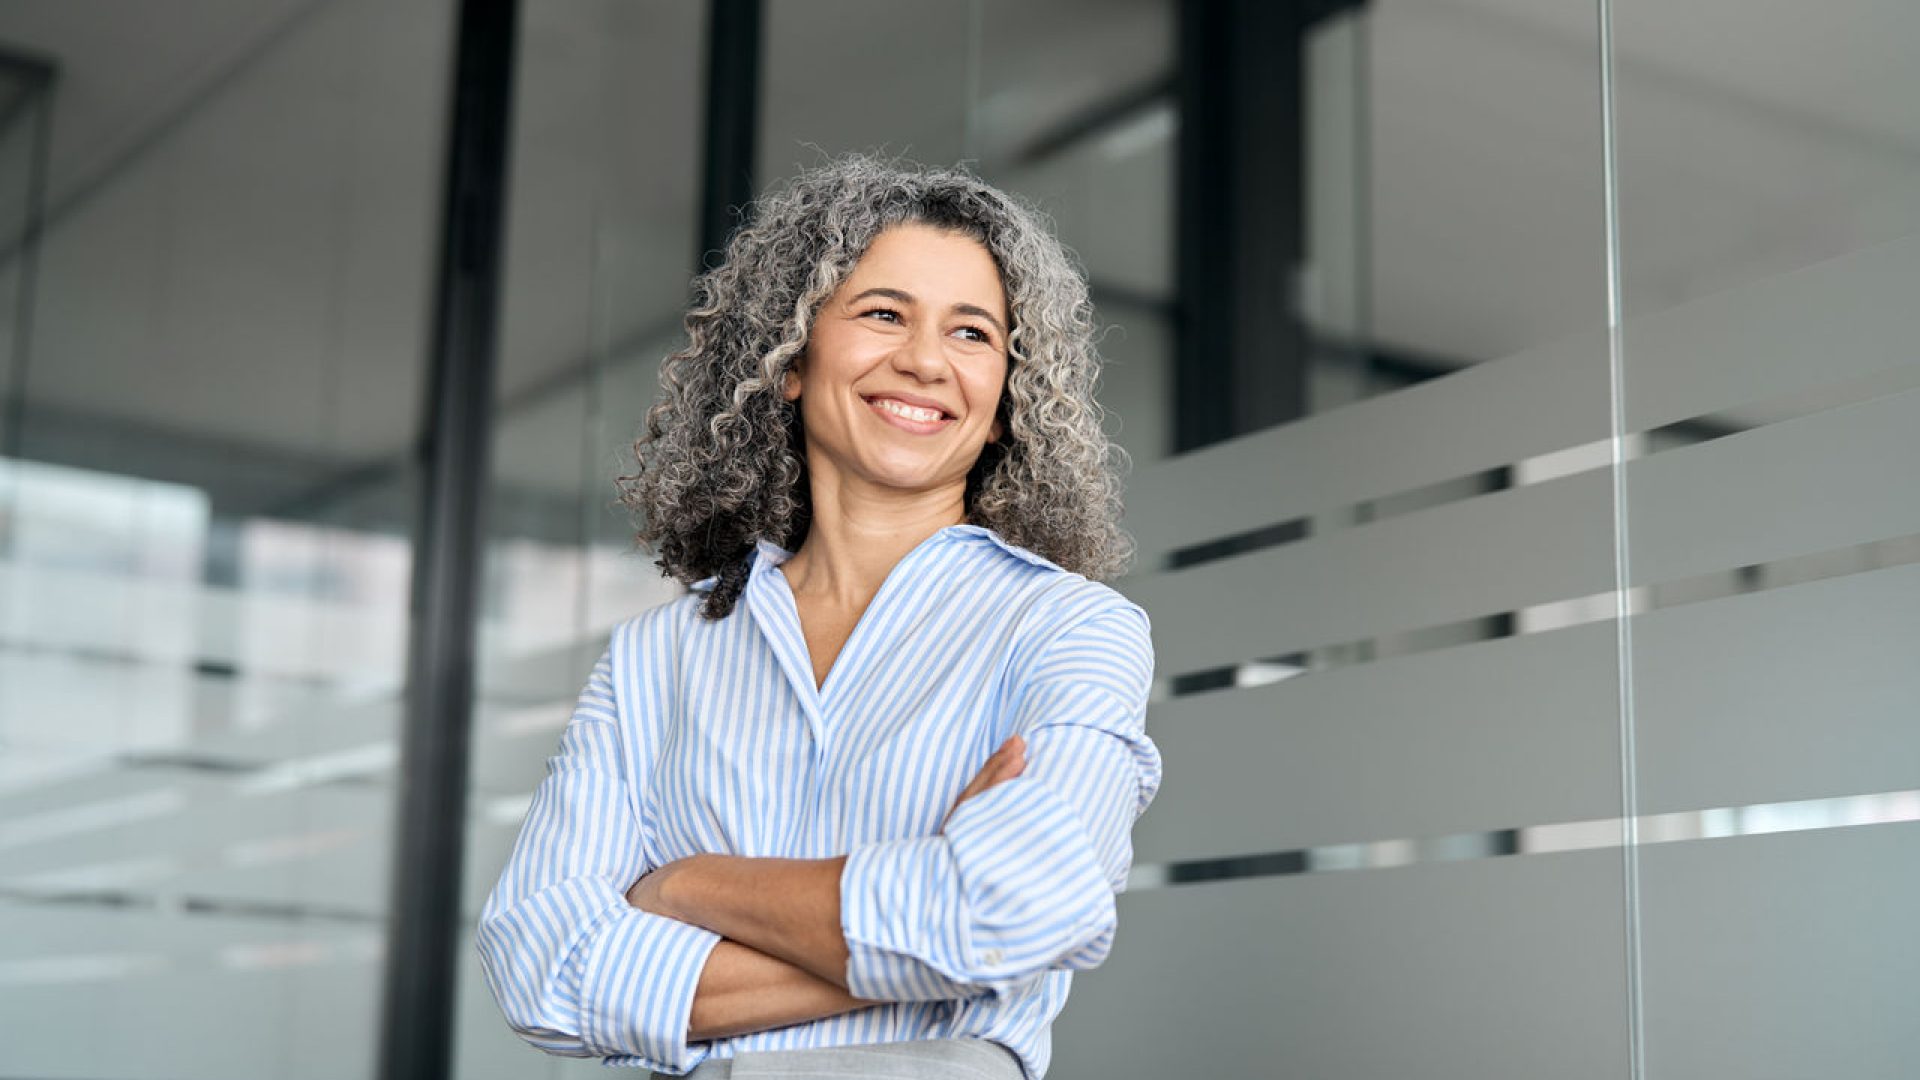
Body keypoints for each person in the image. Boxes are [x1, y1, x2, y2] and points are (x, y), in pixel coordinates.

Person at [475, 154, 1163, 1080]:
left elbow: (1024, 911)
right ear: (791, 358)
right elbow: (539, 966)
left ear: (1006, 403)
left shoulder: (1070, 630)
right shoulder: (656, 657)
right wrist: (938, 945)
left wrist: (685, 885)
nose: (925, 361)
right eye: (883, 314)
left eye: (971, 332)